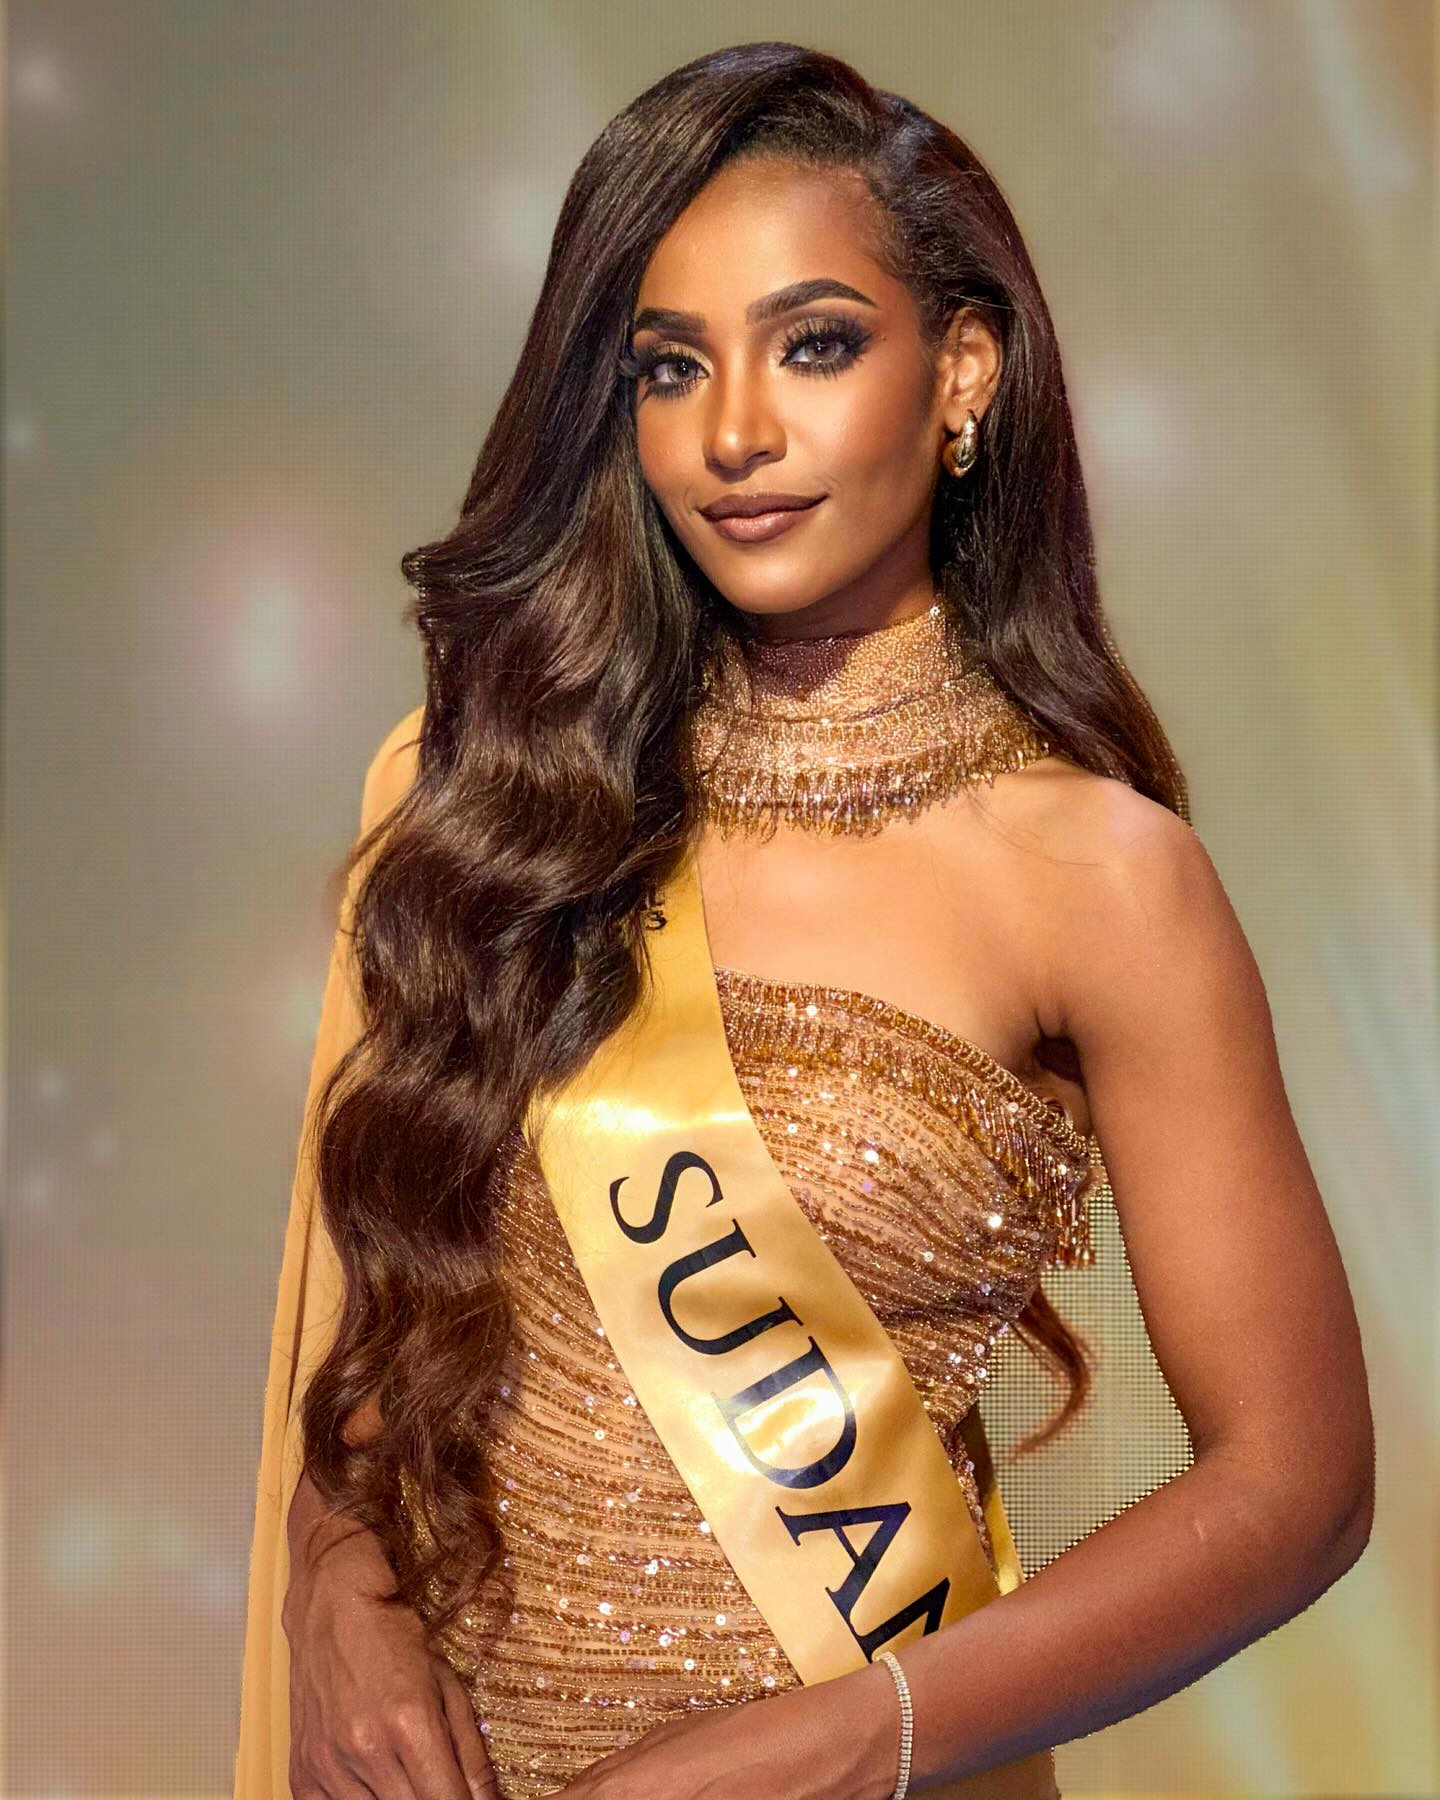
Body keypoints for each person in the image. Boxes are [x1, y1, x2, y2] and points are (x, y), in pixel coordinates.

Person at [233, 39, 1375, 1800]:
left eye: (816, 344)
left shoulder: (1102, 878)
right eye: (669, 365)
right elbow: (386, 1312)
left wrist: (847, 1743)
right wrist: (336, 1586)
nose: (735, 434)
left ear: (963, 371)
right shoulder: (488, 800)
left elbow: (1298, 1485)